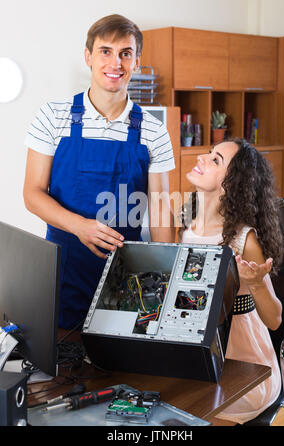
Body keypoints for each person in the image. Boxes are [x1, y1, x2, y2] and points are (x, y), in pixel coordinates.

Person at [23, 14, 175, 330]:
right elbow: (32, 194)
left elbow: (160, 211)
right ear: (88, 56)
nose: (115, 62)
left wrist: (163, 282)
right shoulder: (53, 116)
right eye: (105, 51)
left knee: (121, 368)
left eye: (125, 53)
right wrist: (81, 226)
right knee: (61, 367)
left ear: (136, 61)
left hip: (127, 276)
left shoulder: (153, 131)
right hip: (63, 270)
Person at [178, 137, 284, 425]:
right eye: (210, 153)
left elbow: (274, 319)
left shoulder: (243, 239)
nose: (202, 158)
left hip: (244, 370)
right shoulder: (185, 226)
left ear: (231, 183)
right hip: (200, 361)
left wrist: (257, 282)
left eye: (215, 160)